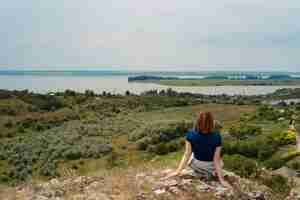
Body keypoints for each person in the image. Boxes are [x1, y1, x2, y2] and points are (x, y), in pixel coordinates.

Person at [166, 112, 231, 188]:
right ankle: (212, 173)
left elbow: (187, 154)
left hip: (196, 166)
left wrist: (178, 171)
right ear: (211, 123)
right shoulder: (217, 137)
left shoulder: (190, 134)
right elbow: (216, 159)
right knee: (220, 160)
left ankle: (199, 171)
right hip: (210, 168)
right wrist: (221, 180)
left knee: (192, 154)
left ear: (198, 122)